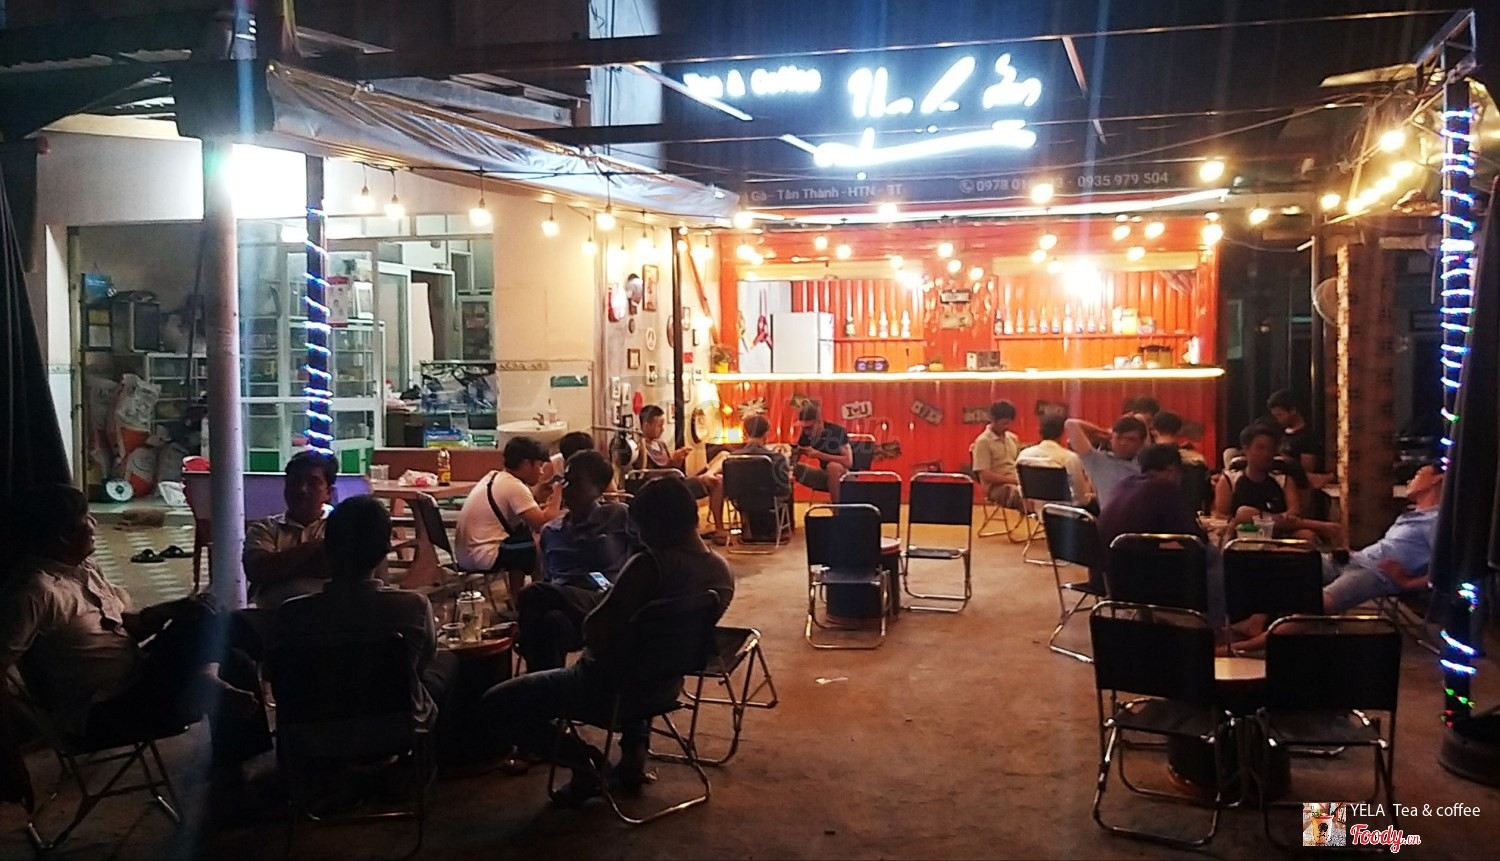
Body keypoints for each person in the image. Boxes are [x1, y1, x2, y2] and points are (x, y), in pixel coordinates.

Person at [482, 477, 734, 803]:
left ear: (654, 526)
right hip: (664, 685)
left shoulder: (649, 566)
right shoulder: (721, 573)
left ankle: (585, 762)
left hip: (603, 689)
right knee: (643, 650)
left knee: (495, 704)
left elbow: (594, 631)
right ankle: (634, 755)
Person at [0, 485, 269, 768]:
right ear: (63, 536)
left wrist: (174, 608)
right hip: (105, 711)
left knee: (206, 621)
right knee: (233, 656)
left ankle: (241, 763)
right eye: (86, 519)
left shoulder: (85, 569)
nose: (94, 524)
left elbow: (129, 626)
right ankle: (246, 669)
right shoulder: (34, 593)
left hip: (139, 675)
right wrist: (17, 738)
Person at [278, 496, 456, 728]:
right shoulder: (413, 607)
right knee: (447, 661)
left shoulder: (292, 614)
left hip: (314, 733)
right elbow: (421, 662)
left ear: (327, 547)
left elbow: (281, 678)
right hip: (396, 729)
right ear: (386, 549)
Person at [1227, 466, 1443, 653]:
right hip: (1355, 559)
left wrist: (1407, 582)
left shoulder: (1435, 521)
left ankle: (1245, 647)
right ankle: (1256, 620)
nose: (1410, 479)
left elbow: (1446, 570)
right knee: (1291, 561)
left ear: (1437, 479)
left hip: (1374, 574)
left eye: (1418, 474)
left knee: (1314, 605)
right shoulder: (1412, 514)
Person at [520, 450, 640, 672]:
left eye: (576, 482)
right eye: (565, 481)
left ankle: (532, 681)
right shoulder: (551, 531)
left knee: (533, 593)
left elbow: (646, 557)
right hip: (565, 606)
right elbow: (548, 576)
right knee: (551, 623)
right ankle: (547, 686)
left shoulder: (618, 516)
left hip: (603, 601)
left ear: (598, 487)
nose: (566, 488)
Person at [1214, 423, 1341, 544]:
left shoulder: (1283, 480)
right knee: (1245, 513)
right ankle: (1319, 526)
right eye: (1260, 448)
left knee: (1307, 536)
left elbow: (1294, 513)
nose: (1266, 454)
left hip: (1279, 533)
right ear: (1246, 450)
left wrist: (1276, 519)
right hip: (1244, 534)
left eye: (1270, 449)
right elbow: (1222, 516)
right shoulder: (1230, 480)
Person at [242, 451, 336, 610]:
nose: (302, 489)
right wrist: (315, 547)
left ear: (329, 492)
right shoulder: (265, 528)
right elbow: (257, 570)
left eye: (313, 483)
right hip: (273, 618)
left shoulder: (340, 525)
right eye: (295, 481)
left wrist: (280, 567)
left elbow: (350, 571)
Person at [455, 435, 557, 574]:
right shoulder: (514, 486)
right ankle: (540, 585)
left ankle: (520, 588)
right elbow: (542, 524)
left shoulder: (495, 477)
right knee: (542, 539)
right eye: (539, 466)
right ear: (526, 464)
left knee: (522, 535)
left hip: (466, 555)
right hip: (485, 555)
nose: (541, 472)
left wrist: (541, 500)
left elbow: (528, 513)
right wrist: (558, 492)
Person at [634, 404, 726, 543]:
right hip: (667, 486)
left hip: (676, 479)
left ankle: (709, 474)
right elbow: (650, 474)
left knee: (723, 455)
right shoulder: (640, 447)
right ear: (646, 426)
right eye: (659, 425)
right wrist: (672, 462)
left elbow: (671, 468)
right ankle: (719, 529)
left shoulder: (661, 445)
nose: (662, 429)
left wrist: (677, 460)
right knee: (717, 481)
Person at [1095, 444, 1208, 549]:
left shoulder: (1123, 484)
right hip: (1137, 560)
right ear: (1172, 469)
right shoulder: (1166, 488)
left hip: (1107, 558)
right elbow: (1194, 538)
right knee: (1211, 552)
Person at [715, 414, 792, 540]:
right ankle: (781, 531)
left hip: (740, 502)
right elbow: (784, 487)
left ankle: (746, 525)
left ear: (745, 432)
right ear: (767, 433)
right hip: (769, 501)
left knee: (744, 491)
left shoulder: (732, 458)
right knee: (785, 489)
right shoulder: (777, 458)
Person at [1066, 415, 1146, 508]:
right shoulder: (1098, 460)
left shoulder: (1147, 463)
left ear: (1141, 443)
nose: (1123, 443)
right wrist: (1105, 433)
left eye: (1131, 440)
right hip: (1112, 516)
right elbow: (1070, 424)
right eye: (1119, 438)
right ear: (1111, 438)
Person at [1017, 413, 1095, 507]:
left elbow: (1021, 491)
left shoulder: (1023, 456)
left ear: (1039, 431)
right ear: (1062, 433)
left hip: (1037, 510)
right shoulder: (1070, 458)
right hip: (1068, 512)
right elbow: (1082, 498)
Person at [792, 401, 854, 503]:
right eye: (803, 428)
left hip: (844, 475)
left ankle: (837, 508)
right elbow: (795, 459)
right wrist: (793, 454)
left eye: (809, 428)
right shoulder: (805, 435)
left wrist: (819, 455)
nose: (806, 432)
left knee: (833, 467)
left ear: (819, 422)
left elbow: (848, 462)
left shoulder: (837, 432)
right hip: (824, 475)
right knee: (788, 467)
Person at [971, 400, 1022, 509]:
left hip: (1016, 483)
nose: (1007, 426)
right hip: (996, 488)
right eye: (1004, 423)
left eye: (1009, 423)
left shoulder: (1013, 439)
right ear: (993, 419)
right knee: (1018, 494)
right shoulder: (983, 441)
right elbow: (985, 476)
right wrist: (1012, 480)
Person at [1266, 389, 1325, 476]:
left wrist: (1286, 462)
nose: (1278, 419)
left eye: (1280, 415)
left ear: (1293, 410)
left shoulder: (1308, 437)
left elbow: (1308, 469)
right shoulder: (1278, 433)